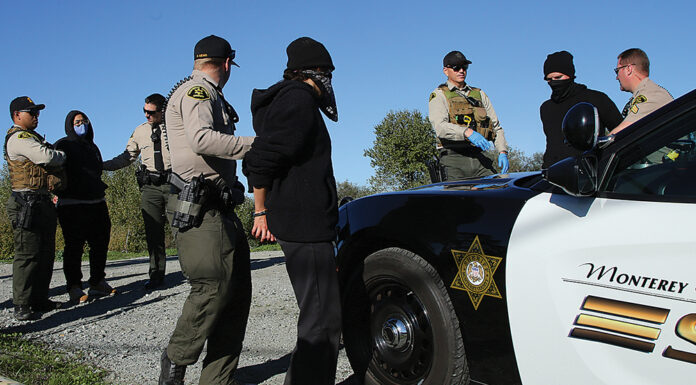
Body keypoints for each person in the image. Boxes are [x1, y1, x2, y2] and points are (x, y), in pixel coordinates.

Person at [243, 36, 342, 385]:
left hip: (305, 220)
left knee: (319, 317)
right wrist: (260, 211)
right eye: (328, 72)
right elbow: (260, 158)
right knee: (321, 322)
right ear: (316, 72)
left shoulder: (291, 100)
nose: (331, 81)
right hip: (305, 223)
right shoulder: (298, 100)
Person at [159, 35, 254, 385]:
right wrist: (256, 145)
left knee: (236, 293)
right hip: (199, 208)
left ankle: (218, 379)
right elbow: (201, 139)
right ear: (227, 63)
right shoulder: (198, 92)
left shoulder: (209, 94)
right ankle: (175, 361)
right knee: (213, 285)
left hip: (220, 204)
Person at [5, 96, 66, 321]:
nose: (36, 116)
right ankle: (22, 304)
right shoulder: (19, 138)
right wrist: (61, 155)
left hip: (40, 201)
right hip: (25, 202)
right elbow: (47, 156)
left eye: (37, 112)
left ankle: (40, 299)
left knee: (46, 253)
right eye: (31, 112)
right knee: (27, 254)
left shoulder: (32, 137)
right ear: (17, 115)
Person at [103, 93, 171, 290]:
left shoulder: (176, 127)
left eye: (151, 112)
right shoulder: (140, 131)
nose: (147, 116)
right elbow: (127, 157)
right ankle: (156, 275)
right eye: (144, 111)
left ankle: (194, 272)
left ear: (162, 111)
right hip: (151, 187)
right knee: (153, 232)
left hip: (174, 183)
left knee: (183, 229)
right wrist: (101, 166)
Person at [55, 110, 115, 304]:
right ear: (69, 125)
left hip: (96, 202)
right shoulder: (63, 145)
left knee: (100, 244)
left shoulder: (93, 147)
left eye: (85, 121)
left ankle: (98, 282)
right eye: (77, 122)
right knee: (74, 247)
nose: (82, 125)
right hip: (72, 204)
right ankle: (74, 287)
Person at [428, 51, 509, 180]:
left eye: (464, 67)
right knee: (459, 198)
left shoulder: (479, 94)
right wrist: (467, 132)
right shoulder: (438, 95)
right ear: (446, 70)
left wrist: (502, 151)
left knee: (497, 190)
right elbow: (440, 127)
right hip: (453, 159)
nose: (461, 71)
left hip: (479, 157)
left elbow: (495, 126)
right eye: (456, 67)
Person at [540, 51, 623, 168]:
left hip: (590, 173)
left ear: (570, 74)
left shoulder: (596, 99)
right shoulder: (546, 108)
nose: (554, 82)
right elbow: (552, 144)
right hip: (554, 174)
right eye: (549, 79)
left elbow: (621, 133)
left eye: (558, 77)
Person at [610, 48, 673, 135]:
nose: (617, 77)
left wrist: (600, 146)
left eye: (617, 71)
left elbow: (620, 134)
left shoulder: (650, 95)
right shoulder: (647, 92)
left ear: (628, 69)